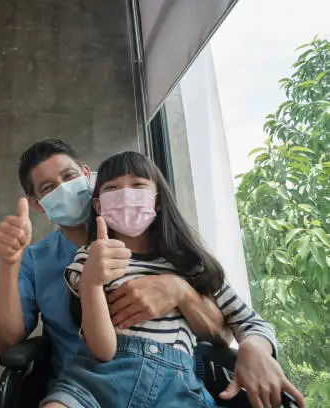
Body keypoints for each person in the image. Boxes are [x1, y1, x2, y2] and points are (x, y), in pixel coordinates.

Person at [40, 151, 305, 408]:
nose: (126, 194)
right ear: (98, 204)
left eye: (138, 185)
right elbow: (102, 349)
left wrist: (254, 349)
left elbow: (247, 321)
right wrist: (91, 282)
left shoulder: (191, 263)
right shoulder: (91, 258)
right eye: (112, 188)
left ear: (156, 200)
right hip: (96, 382)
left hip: (178, 388)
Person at [0, 140, 232, 391]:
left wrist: (179, 291)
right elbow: (7, 347)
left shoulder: (153, 238)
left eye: (69, 176)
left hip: (168, 388)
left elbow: (224, 331)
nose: (63, 189)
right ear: (37, 204)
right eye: (49, 187)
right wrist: (9, 264)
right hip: (81, 390)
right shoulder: (35, 259)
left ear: (86, 176)